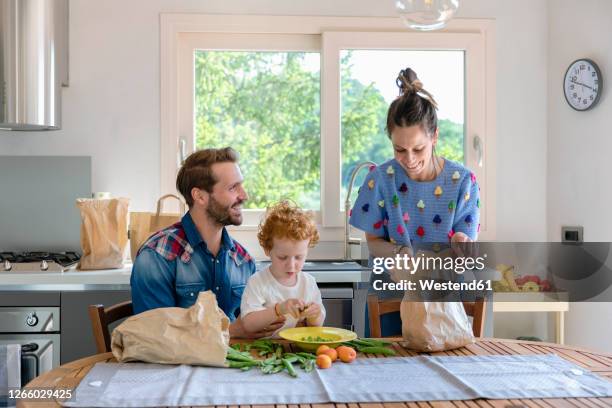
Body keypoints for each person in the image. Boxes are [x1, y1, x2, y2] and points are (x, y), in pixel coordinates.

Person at [349, 68, 480, 335]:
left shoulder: (462, 182)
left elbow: (464, 245)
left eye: (418, 148)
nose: (409, 159)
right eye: (399, 149)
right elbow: (373, 243)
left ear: (434, 137)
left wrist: (461, 244)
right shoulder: (381, 179)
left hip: (442, 301)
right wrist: (400, 253)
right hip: (388, 297)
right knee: (384, 369)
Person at [130, 147, 285, 338]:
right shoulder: (157, 256)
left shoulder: (243, 261)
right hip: (175, 368)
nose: (244, 195)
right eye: (232, 187)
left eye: (241, 185)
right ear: (200, 196)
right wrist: (232, 331)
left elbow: (252, 326)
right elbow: (155, 336)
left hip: (236, 365)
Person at [240, 201, 325, 337]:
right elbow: (248, 325)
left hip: (295, 350)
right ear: (268, 250)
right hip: (264, 351)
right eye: (282, 257)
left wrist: (314, 315)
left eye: (298, 257)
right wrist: (278, 309)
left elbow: (316, 325)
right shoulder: (258, 282)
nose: (291, 265)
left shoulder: (308, 283)